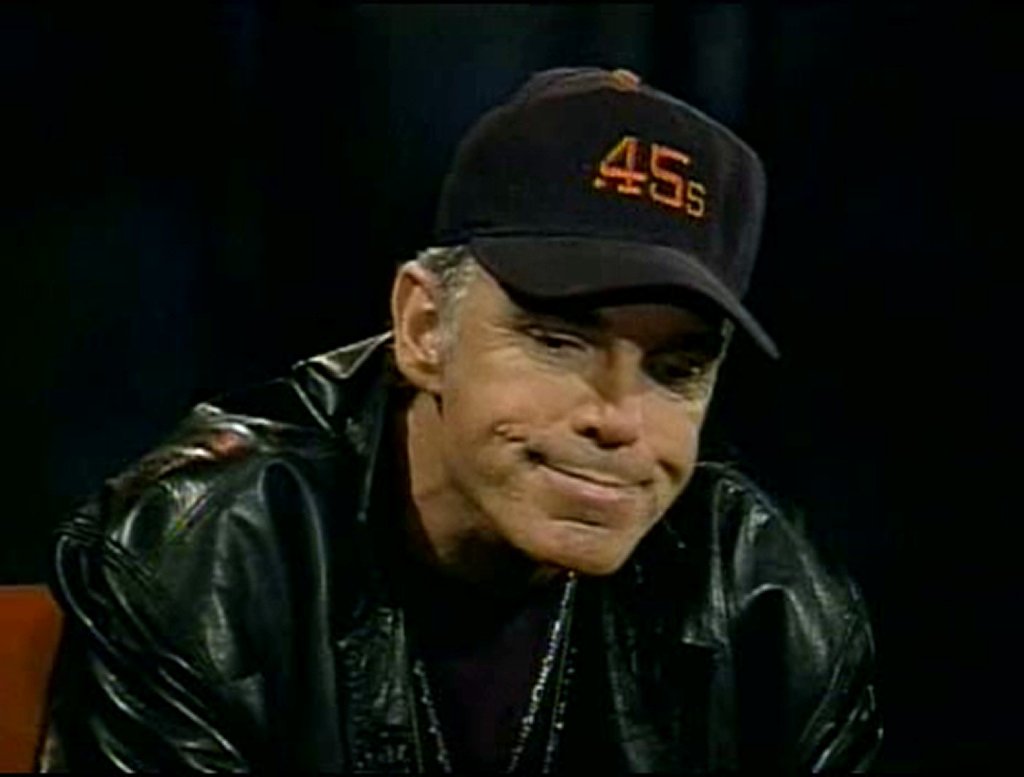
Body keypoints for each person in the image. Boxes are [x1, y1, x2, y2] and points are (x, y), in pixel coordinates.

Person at [40, 66, 882, 772]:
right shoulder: (206, 557)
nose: (619, 418)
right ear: (423, 328)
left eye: (675, 369)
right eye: (557, 340)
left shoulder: (771, 607)